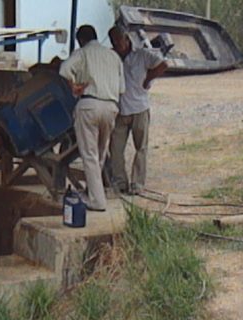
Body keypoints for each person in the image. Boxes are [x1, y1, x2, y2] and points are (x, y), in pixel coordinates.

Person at [59, 25, 124, 211]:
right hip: (111, 107)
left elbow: (64, 70)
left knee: (89, 155)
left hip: (89, 105)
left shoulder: (83, 52)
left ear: (81, 40)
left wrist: (73, 86)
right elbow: (121, 89)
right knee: (100, 154)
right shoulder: (114, 56)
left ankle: (97, 201)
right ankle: (92, 193)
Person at [109, 27, 169, 195]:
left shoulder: (142, 54)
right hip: (120, 110)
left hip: (140, 108)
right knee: (115, 149)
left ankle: (137, 184)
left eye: (118, 41)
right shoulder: (111, 57)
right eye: (113, 41)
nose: (116, 44)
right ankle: (120, 182)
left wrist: (148, 79)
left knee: (140, 147)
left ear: (126, 39)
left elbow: (163, 64)